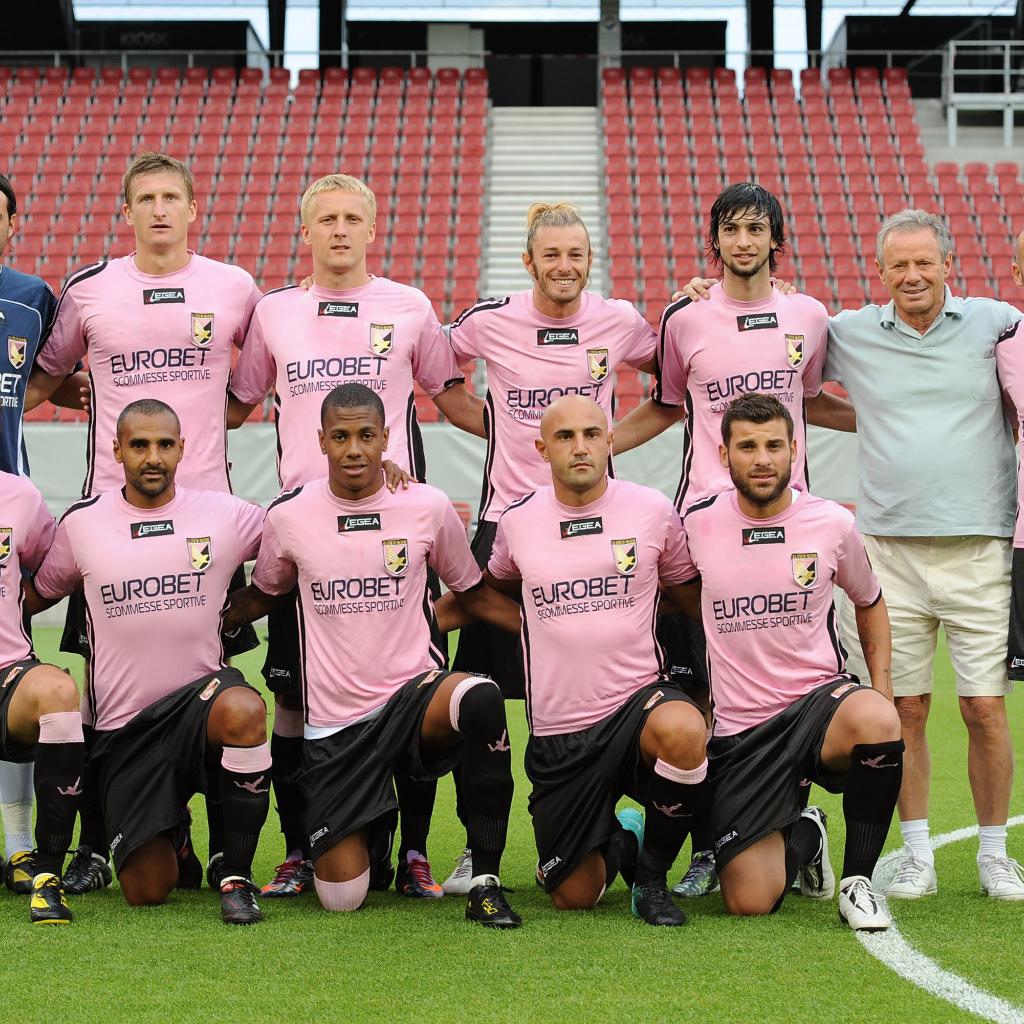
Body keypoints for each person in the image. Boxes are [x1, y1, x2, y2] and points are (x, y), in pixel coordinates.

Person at [678, 208, 1024, 901]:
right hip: (889, 545)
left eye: (924, 262)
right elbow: (787, 379)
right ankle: (917, 854)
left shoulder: (998, 323)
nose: (912, 275)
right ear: (880, 270)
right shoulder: (850, 331)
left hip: (980, 543)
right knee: (906, 709)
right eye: (899, 264)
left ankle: (995, 854)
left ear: (948, 264)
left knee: (985, 709)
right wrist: (715, 299)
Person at [226, 173, 482, 898]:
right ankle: (299, 850)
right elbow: (235, 404)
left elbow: (454, 399)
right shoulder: (274, 312)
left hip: (394, 534)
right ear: (305, 230)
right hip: (304, 538)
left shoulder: (409, 306)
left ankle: (415, 854)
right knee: (293, 701)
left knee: (415, 692)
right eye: (326, 219)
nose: (339, 230)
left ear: (372, 229)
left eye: (351, 219)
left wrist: (535, 439)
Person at [24, 152, 263, 894]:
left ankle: (222, 851)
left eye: (171, 198)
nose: (159, 210)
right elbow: (44, 376)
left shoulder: (233, 287)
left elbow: (253, 386)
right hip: (109, 518)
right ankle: (98, 843)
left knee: (215, 679)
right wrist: (89, 398)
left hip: (208, 525)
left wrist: (207, 425)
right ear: (126, 211)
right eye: (145, 199)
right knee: (104, 683)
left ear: (193, 209)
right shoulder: (90, 289)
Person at [611, 182, 855, 897]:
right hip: (704, 528)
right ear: (713, 241)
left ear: (776, 239)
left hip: (788, 528)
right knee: (702, 693)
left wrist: (894, 422)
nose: (743, 241)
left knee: (783, 687)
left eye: (756, 229)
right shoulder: (684, 317)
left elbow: (811, 401)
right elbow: (664, 405)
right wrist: (590, 452)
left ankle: (794, 820)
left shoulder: (808, 315)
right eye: (730, 229)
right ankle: (709, 846)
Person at [223, 383, 523, 927]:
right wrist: (198, 618)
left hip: (412, 699)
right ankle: (374, 831)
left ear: (387, 438)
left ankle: (485, 880)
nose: (354, 449)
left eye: (366, 436)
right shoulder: (289, 515)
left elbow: (474, 594)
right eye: (340, 437)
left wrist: (547, 630)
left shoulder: (426, 506)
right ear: (321, 441)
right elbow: (263, 596)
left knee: (479, 696)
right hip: (336, 726)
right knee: (342, 897)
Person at [441, 200, 662, 892]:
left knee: (608, 684)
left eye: (576, 255)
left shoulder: (618, 320)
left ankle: (611, 823)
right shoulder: (490, 319)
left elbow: (678, 379)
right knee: (481, 698)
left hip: (597, 525)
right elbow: (433, 371)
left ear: (590, 260)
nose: (564, 266)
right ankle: (477, 850)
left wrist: (609, 442)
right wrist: (502, 432)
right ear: (528, 261)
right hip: (508, 523)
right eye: (552, 255)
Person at [461, 394, 710, 926]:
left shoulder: (651, 510)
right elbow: (494, 587)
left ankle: (651, 880)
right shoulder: (517, 521)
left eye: (592, 435)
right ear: (541, 449)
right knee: (574, 894)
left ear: (610, 441)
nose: (580, 447)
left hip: (637, 703)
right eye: (565, 437)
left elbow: (690, 594)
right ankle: (625, 838)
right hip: (561, 730)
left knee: (686, 729)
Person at [24, 400, 271, 925]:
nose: (152, 457)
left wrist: (385, 485)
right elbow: (36, 594)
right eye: (139, 445)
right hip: (126, 732)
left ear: (182, 449)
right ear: (117, 451)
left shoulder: (225, 514)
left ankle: (236, 876)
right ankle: (174, 834)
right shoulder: (83, 524)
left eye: (163, 444)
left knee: (246, 709)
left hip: (198, 708)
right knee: (147, 890)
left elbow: (302, 531)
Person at [673, 393, 902, 931]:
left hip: (818, 704)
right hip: (741, 730)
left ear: (794, 450)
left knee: (877, 719)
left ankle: (858, 882)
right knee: (749, 901)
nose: (762, 459)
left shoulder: (831, 522)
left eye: (774, 445)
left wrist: (882, 687)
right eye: (747, 446)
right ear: (723, 454)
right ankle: (808, 834)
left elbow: (869, 602)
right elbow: (678, 598)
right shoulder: (696, 525)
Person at [0, 172, 88, 895]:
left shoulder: (32, 297)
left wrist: (65, 387)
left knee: (21, 669)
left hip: (7, 500)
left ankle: (20, 843)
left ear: (11, 227)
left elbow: (47, 374)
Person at [0, 470, 85, 923]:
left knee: (57, 690)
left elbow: (51, 565)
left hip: (6, 672)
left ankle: (45, 874)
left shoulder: (18, 494)